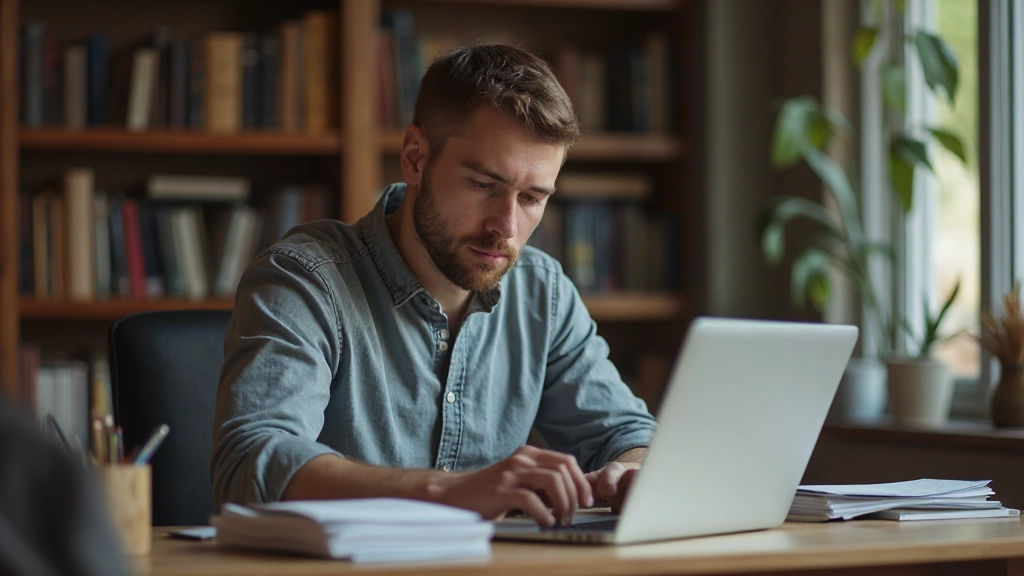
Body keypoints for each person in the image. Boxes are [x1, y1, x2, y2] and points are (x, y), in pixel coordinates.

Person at [211, 44, 657, 528]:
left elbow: (628, 432)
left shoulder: (543, 293)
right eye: (484, 184)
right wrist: (452, 492)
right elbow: (251, 462)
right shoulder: (305, 279)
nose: (506, 226)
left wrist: (633, 470)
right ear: (415, 157)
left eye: (531, 198)